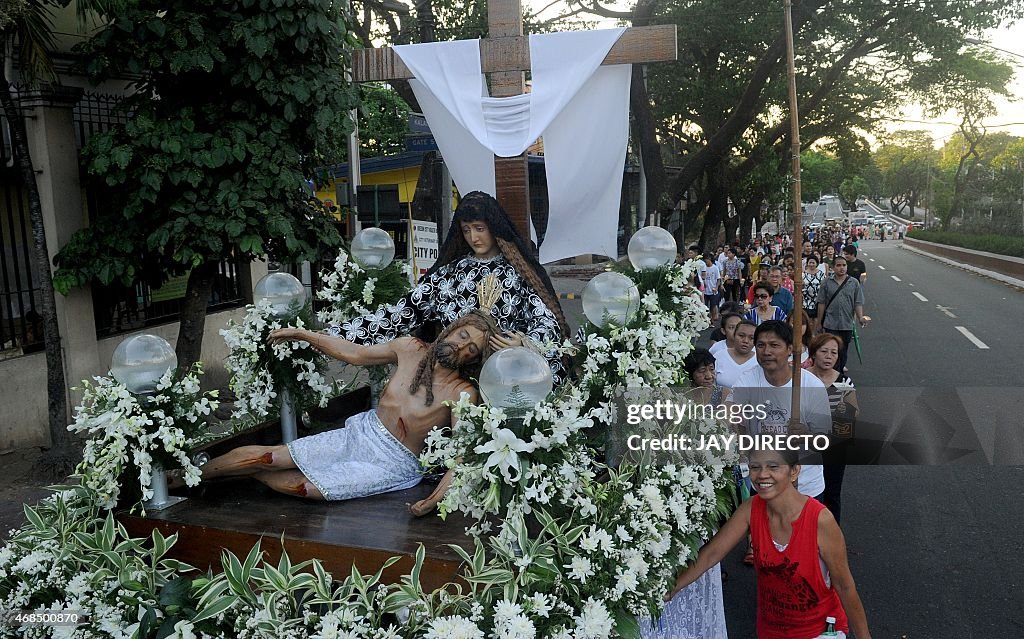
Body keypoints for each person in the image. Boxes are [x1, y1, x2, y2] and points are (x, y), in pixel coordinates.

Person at [182, 310, 497, 513]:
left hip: (394, 463)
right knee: (270, 458)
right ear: (452, 329)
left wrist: (431, 502)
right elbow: (355, 353)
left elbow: (461, 456)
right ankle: (185, 478)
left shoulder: (462, 393)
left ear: (473, 359)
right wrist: (303, 334)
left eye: (472, 349)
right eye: (463, 336)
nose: (461, 347)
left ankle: (240, 474)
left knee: (308, 488)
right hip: (363, 432)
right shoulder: (409, 348)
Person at [331, 191, 570, 384]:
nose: (473, 237)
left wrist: (523, 343)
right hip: (453, 377)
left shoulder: (517, 274)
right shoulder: (449, 274)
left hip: (505, 376)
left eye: (479, 228)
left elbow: (545, 320)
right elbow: (402, 313)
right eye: (466, 230)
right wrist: (336, 335)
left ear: (494, 228)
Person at [668, 447, 873, 639]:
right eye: (756, 466)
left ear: (794, 472)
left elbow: (844, 586)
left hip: (819, 631)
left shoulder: (820, 520)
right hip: (770, 631)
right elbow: (710, 555)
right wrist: (671, 589)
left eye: (773, 466)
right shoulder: (751, 509)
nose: (762, 474)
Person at [641, 348, 729, 639]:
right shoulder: (682, 402)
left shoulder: (723, 397)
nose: (708, 376)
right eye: (702, 371)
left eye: (711, 369)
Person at [729, 321, 832, 501]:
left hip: (805, 486)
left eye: (774, 345)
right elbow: (730, 408)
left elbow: (825, 440)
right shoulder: (750, 378)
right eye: (761, 345)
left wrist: (806, 436)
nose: (766, 351)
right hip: (764, 481)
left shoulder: (811, 385)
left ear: (790, 349)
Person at [807, 333, 860, 524]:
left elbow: (853, 413)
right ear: (814, 353)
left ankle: (831, 537)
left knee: (831, 493)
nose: (829, 356)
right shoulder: (801, 378)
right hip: (804, 446)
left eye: (834, 353)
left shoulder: (844, 382)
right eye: (824, 351)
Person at [817, 256, 868, 373]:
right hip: (830, 323)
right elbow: (821, 303)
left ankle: (839, 373)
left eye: (844, 265)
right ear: (833, 268)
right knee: (831, 350)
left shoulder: (854, 283)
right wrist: (819, 322)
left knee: (843, 350)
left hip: (847, 324)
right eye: (838, 265)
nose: (842, 268)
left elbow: (858, 302)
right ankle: (832, 373)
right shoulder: (826, 283)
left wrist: (860, 317)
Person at [714, 319, 759, 389]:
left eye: (751, 338)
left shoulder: (760, 361)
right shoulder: (718, 356)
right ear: (734, 335)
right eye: (741, 335)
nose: (745, 341)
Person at [802, 256, 824, 335]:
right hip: (806, 300)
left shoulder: (821, 273)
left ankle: (815, 334)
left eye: (813, 262)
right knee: (808, 319)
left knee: (816, 318)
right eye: (810, 262)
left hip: (818, 299)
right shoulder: (803, 274)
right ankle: (809, 334)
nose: (811, 264)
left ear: (817, 264)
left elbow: (824, 285)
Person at [699, 255, 724, 323]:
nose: (705, 262)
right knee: (705, 306)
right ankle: (707, 320)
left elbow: (718, 279)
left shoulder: (715, 268)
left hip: (713, 291)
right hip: (705, 291)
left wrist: (716, 287)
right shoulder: (703, 268)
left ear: (709, 259)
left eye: (706, 260)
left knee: (713, 306)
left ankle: (712, 319)